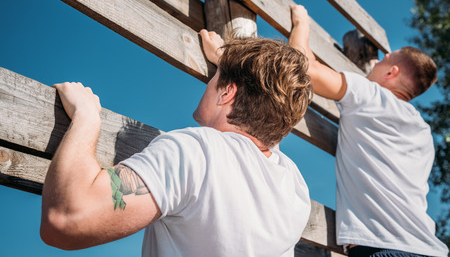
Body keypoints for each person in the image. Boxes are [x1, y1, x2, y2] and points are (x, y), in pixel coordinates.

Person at [40, 29, 313, 256]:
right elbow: (272, 111)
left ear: (227, 93)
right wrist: (226, 60)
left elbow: (66, 220)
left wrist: (87, 117)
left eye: (215, 77)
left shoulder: (198, 152)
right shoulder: (293, 184)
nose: (209, 83)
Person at [289, 4, 449, 257]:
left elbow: (304, 68)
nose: (372, 67)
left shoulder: (372, 95)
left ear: (391, 71)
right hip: (427, 248)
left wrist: (301, 23)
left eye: (382, 61)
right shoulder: (423, 132)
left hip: (383, 248)